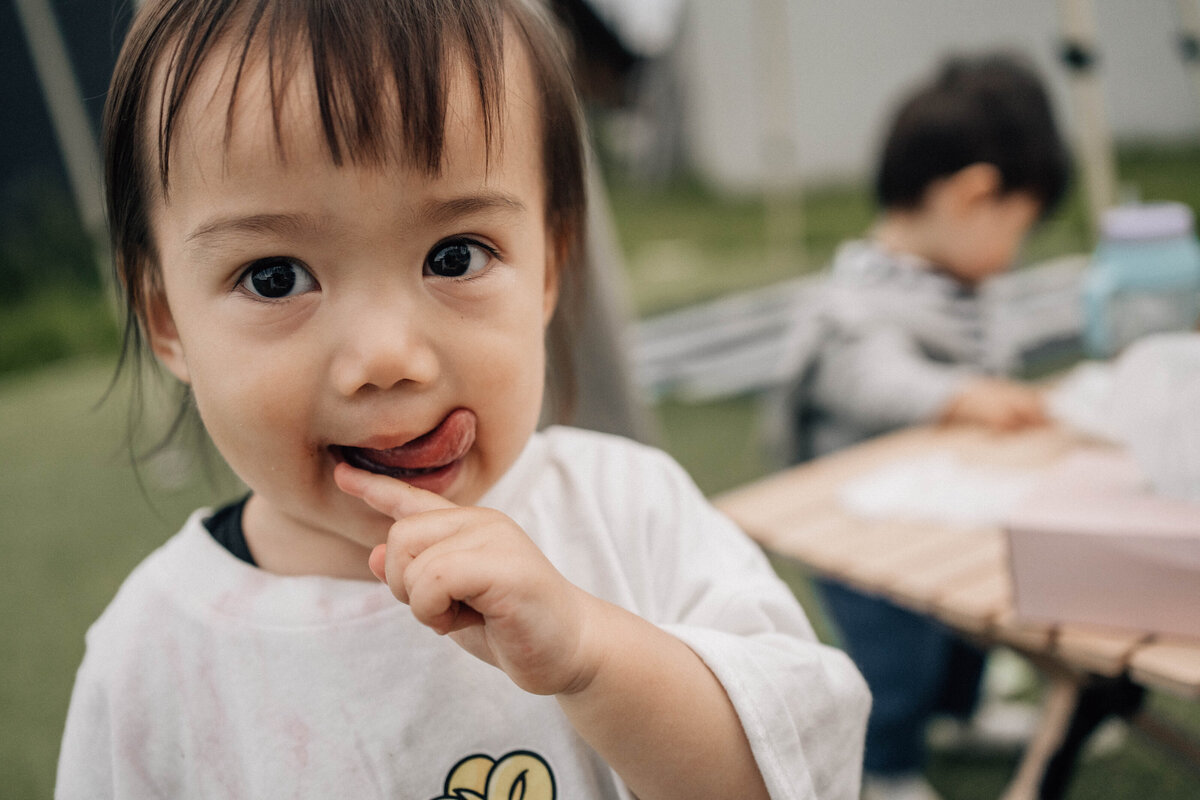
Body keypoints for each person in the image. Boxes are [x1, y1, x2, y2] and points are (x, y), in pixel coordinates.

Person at [56, 1, 869, 798]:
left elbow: (798, 766)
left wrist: (592, 657)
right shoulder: (149, 664)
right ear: (165, 317)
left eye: (455, 256)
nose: (386, 359)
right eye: (276, 277)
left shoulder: (630, 514)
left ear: (549, 266)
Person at [774, 53, 1070, 800]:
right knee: (895, 663)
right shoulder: (857, 301)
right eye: (1020, 226)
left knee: (965, 631)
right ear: (973, 197)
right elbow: (873, 380)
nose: (1015, 254)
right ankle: (885, 767)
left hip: (930, 516)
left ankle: (958, 716)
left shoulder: (957, 279)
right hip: (858, 537)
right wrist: (960, 395)